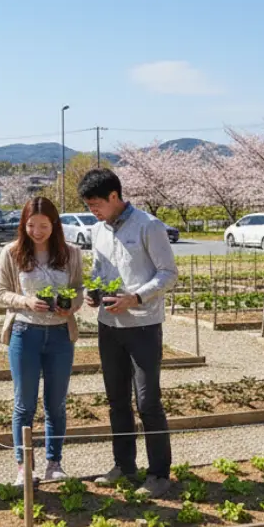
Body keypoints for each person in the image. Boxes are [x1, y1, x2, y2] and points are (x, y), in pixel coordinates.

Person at [80, 168, 179, 497]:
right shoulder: (98, 231)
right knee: (116, 401)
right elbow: (98, 270)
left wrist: (135, 297)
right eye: (88, 206)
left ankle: (159, 474)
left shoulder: (149, 225)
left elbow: (168, 274)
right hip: (109, 325)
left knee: (148, 400)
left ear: (114, 197)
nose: (93, 211)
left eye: (96, 204)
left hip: (143, 325)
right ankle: (124, 466)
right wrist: (92, 292)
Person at [0, 198, 86, 485]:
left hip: (60, 333)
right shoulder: (11, 253)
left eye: (43, 225)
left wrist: (71, 306)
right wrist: (26, 301)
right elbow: (1, 292)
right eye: (31, 225)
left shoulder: (71, 253)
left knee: (56, 403)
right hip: (25, 332)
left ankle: (53, 462)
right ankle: (24, 467)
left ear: (55, 225)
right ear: (23, 225)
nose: (37, 231)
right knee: (24, 404)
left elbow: (79, 288)